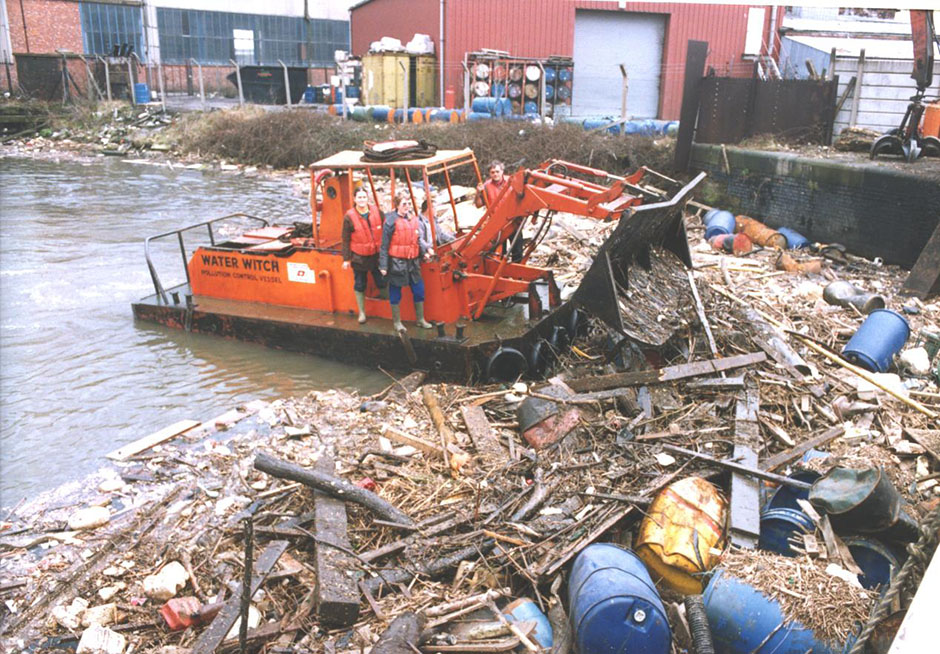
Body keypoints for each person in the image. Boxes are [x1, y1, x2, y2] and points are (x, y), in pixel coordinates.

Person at [379, 192, 433, 332]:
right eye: (404, 204)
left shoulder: (413, 219)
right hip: (397, 262)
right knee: (395, 292)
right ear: (397, 205)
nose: (407, 206)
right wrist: (383, 265)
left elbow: (417, 240)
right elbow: (384, 245)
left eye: (409, 203)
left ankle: (420, 319)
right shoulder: (390, 221)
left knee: (419, 290)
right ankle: (397, 322)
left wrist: (424, 252)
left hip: (413, 262)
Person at [341, 187, 386, 323]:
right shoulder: (349, 217)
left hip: (376, 255)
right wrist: (346, 259)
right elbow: (345, 239)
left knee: (382, 281)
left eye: (364, 197)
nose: (362, 200)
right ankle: (362, 313)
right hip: (359, 256)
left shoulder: (377, 212)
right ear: (355, 199)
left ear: (368, 198)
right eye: (359, 197)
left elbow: (386, 229)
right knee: (360, 284)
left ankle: (387, 310)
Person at [474, 160, 523, 262]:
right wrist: (478, 193)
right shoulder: (486, 186)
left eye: (497, 171)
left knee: (517, 251)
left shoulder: (512, 181)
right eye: (492, 172)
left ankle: (517, 268)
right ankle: (500, 270)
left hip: (513, 221)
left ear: (502, 171)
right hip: (497, 224)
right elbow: (478, 205)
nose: (495, 174)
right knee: (499, 252)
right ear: (489, 173)